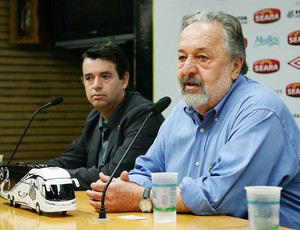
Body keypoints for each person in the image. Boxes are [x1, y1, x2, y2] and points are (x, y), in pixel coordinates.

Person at [86, 10, 300, 229]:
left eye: (202, 58)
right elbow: (143, 173)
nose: (187, 69)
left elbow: (217, 197)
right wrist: (123, 188)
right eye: (182, 57)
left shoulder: (259, 110)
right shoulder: (181, 111)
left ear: (235, 66)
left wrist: (142, 196)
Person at [46, 42, 165, 190]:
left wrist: (52, 177)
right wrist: (37, 171)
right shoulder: (95, 117)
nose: (96, 85)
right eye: (89, 78)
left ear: (124, 80)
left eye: (105, 76)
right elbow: (72, 159)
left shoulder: (144, 116)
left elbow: (113, 174)